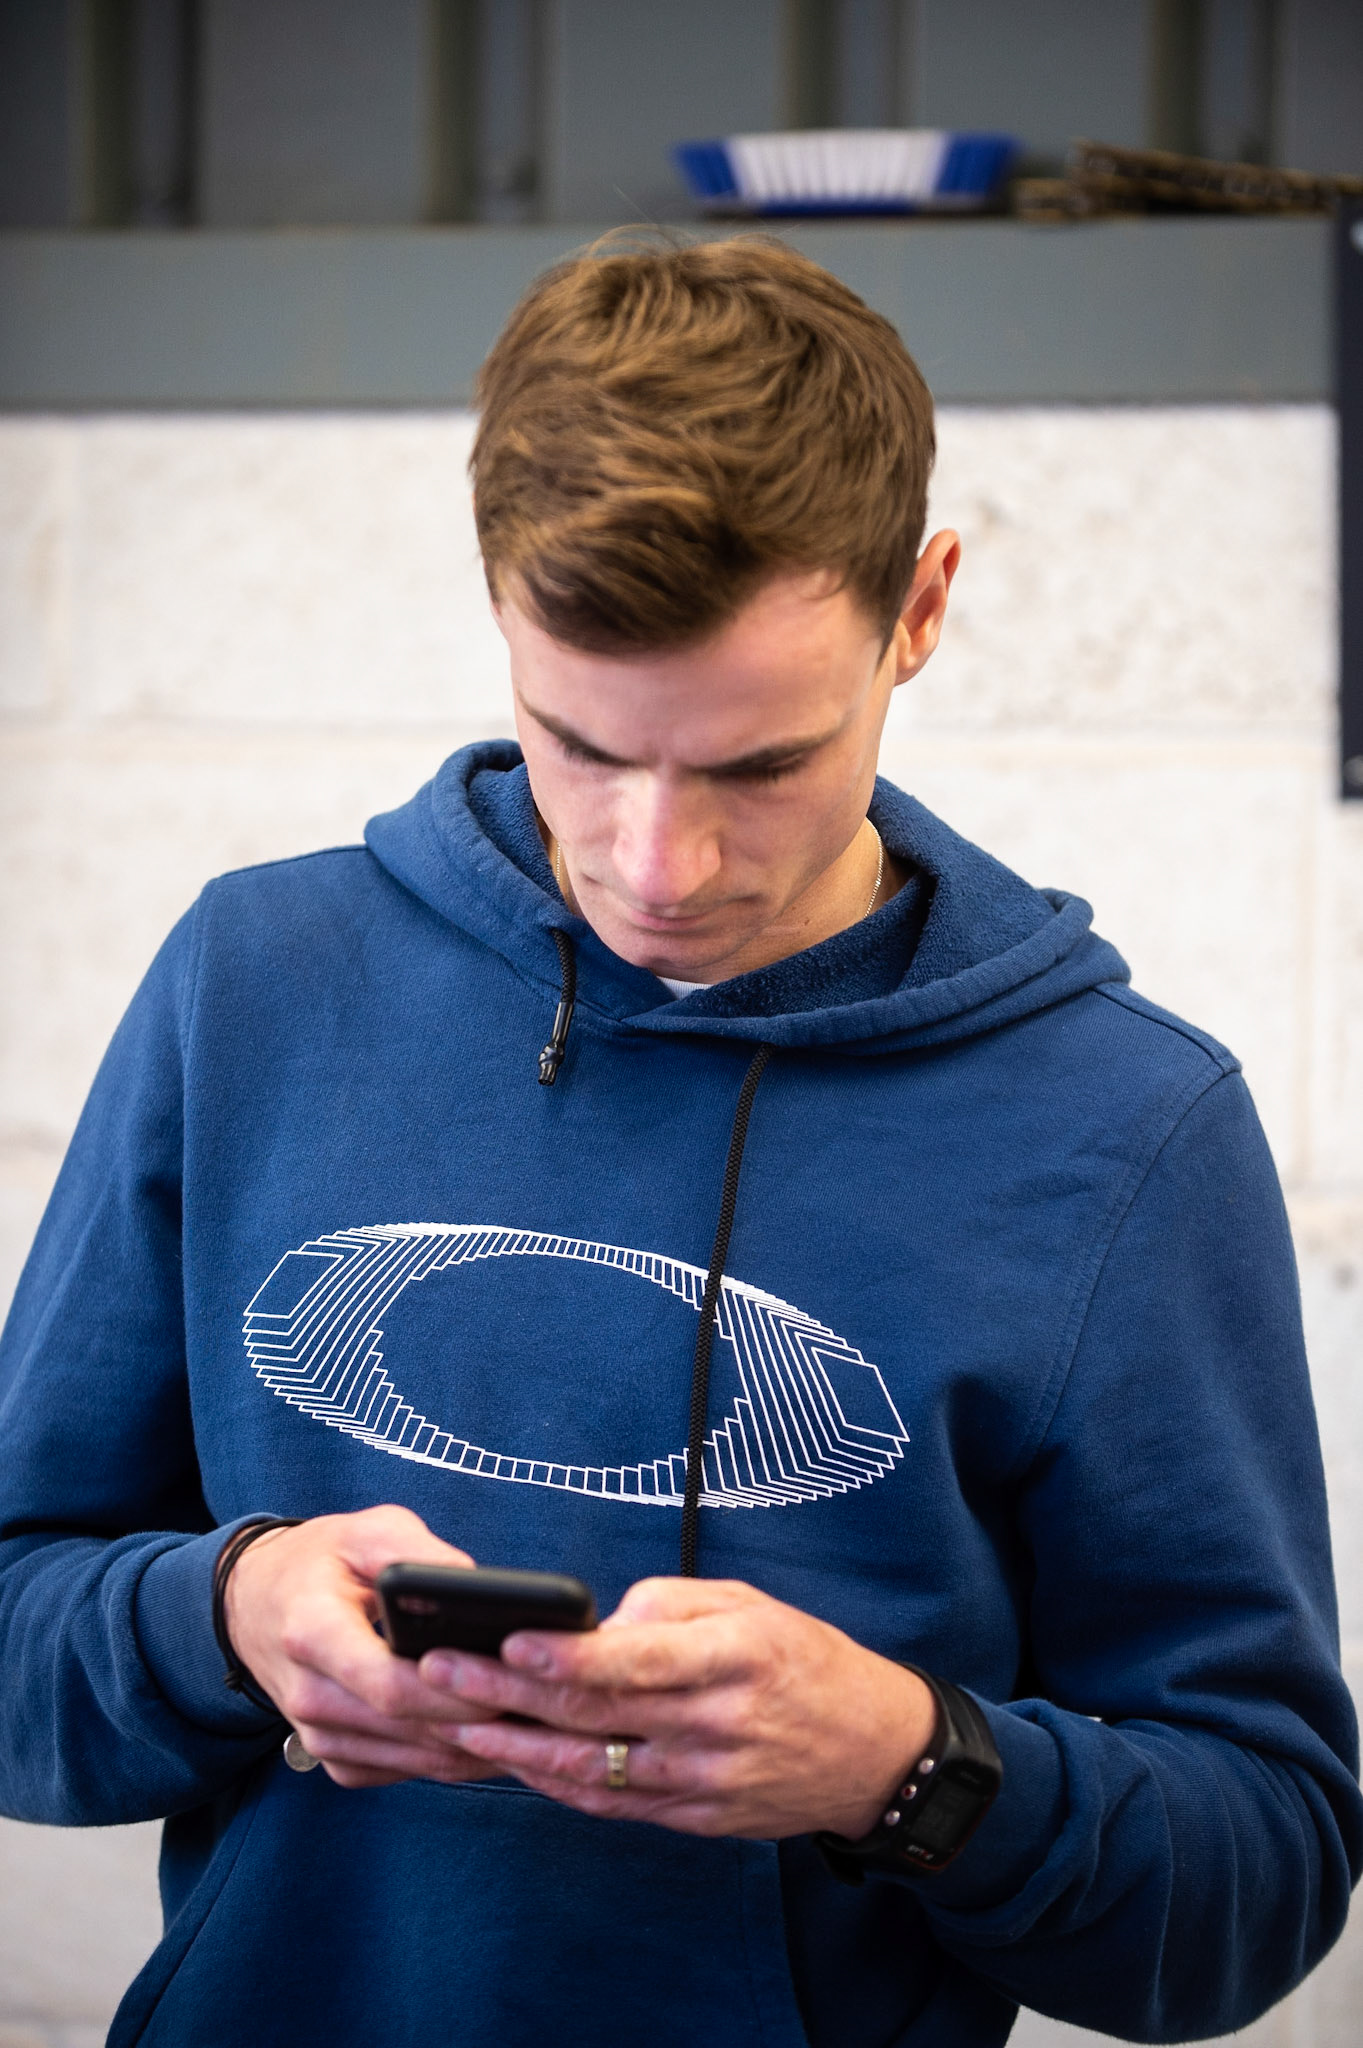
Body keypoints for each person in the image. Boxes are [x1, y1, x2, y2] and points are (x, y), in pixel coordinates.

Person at [0, 238, 1358, 2048]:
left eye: (758, 767)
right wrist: (223, 1610)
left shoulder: (1126, 1129)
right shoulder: (251, 983)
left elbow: (1258, 1881)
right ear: (497, 607)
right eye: (582, 749)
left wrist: (904, 1765)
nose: (658, 869)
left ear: (923, 609)